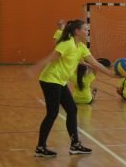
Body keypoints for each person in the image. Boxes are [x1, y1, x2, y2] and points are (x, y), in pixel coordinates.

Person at [29, 19, 116, 158]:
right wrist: (34, 68)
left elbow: (95, 63)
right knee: (52, 113)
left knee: (72, 109)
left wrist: (112, 75)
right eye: (85, 29)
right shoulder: (66, 44)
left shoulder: (81, 47)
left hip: (61, 81)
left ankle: (75, 145)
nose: (87, 31)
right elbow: (51, 58)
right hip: (50, 79)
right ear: (77, 31)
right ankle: (40, 147)